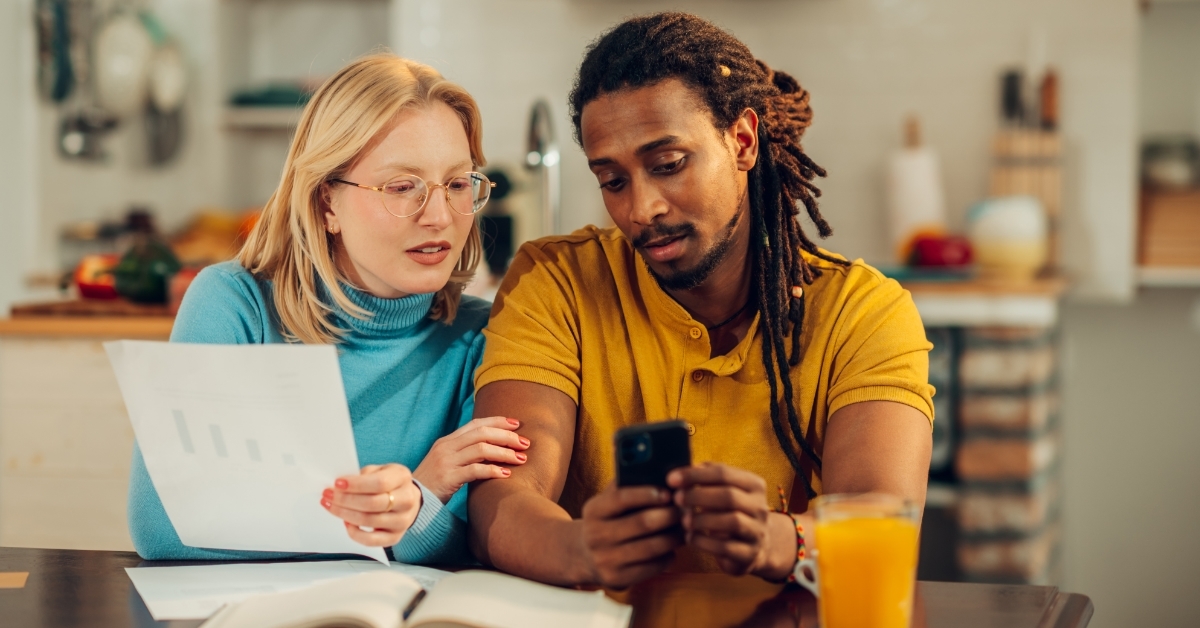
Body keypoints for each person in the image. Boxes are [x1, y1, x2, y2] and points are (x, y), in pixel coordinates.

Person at [468, 13, 935, 587]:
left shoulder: (862, 312)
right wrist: (578, 548)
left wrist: (775, 539)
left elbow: (885, 520)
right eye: (613, 181)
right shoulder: (556, 281)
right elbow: (505, 493)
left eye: (668, 165)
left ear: (741, 141)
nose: (642, 209)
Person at [128, 54, 529, 563]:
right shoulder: (234, 305)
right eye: (402, 187)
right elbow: (161, 527)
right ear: (326, 204)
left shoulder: (482, 338)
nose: (440, 216)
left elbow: (477, 549)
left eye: (456, 184)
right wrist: (409, 501)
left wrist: (413, 512)